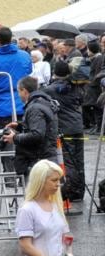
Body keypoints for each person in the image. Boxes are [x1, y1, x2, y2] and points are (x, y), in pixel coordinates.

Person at [0, 27, 32, 172]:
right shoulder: (24, 56)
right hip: (23, 104)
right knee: (26, 140)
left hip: (2, 109)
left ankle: (10, 176)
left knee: (6, 142)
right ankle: (24, 174)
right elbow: (29, 71)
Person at [1, 76, 58, 180]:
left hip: (39, 161)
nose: (18, 95)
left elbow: (37, 134)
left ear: (24, 91)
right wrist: (20, 126)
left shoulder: (34, 108)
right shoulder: (42, 102)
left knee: (35, 195)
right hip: (45, 158)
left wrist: (14, 138)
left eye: (18, 91)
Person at [47, 61, 86, 210]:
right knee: (78, 160)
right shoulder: (75, 86)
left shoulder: (51, 89)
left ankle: (72, 191)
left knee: (68, 161)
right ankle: (79, 191)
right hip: (77, 126)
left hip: (65, 128)